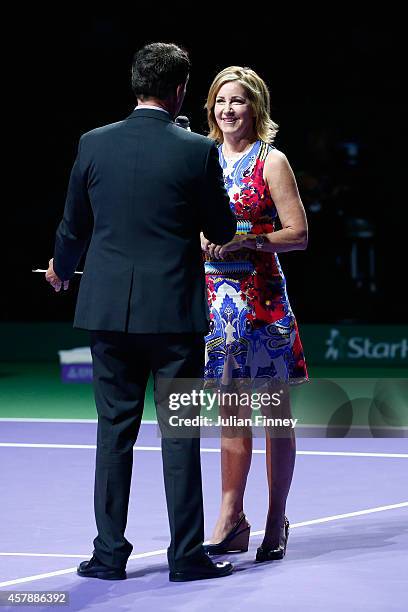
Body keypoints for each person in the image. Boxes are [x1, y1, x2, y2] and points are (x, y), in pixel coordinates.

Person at [45, 43, 237, 582]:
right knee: (178, 434)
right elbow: (221, 231)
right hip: (173, 315)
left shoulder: (93, 143)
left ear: (135, 85)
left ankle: (108, 556)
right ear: (180, 89)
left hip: (106, 312)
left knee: (114, 433)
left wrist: (62, 267)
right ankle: (186, 557)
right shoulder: (195, 150)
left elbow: (73, 226)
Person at [201, 66, 308, 562]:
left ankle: (274, 517)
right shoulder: (201, 158)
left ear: (255, 108)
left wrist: (250, 239)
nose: (228, 110)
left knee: (275, 417)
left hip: (263, 301)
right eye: (221, 101)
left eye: (238, 101)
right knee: (230, 414)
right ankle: (230, 517)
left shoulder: (273, 160)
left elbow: (299, 234)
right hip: (218, 304)